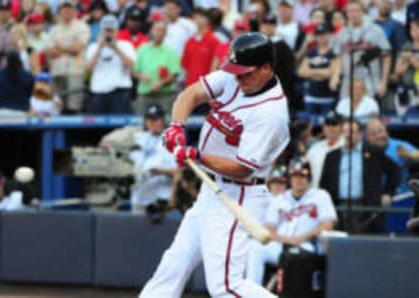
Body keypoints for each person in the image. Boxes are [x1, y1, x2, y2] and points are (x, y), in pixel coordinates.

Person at [140, 32, 289, 298]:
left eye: (245, 74)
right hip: (212, 190)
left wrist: (198, 156)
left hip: (240, 194)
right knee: (174, 264)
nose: (238, 78)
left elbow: (243, 167)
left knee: (225, 287)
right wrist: (177, 126)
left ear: (266, 69)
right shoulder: (236, 77)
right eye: (236, 72)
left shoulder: (271, 113)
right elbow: (191, 94)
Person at [246, 160, 337, 285]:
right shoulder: (279, 199)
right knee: (255, 248)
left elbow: (328, 225)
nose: (298, 179)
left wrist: (301, 238)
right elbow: (269, 229)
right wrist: (286, 240)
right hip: (282, 245)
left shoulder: (320, 196)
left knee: (296, 257)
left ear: (309, 177)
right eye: (295, 175)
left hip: (307, 246)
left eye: (302, 176)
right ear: (290, 178)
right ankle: (252, 293)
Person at [320, 119, 400, 233]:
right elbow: (324, 183)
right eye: (345, 132)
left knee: (365, 244)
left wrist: (388, 192)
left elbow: (395, 171)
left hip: (366, 206)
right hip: (338, 206)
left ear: (360, 134)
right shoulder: (332, 156)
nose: (348, 135)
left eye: (351, 131)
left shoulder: (374, 153)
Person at [334, 0, 391, 99]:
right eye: (350, 11)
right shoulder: (342, 32)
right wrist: (335, 75)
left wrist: (384, 81)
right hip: (348, 80)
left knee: (366, 112)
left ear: (363, 12)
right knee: (346, 111)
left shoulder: (375, 30)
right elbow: (339, 56)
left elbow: (387, 55)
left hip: (369, 78)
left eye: (357, 10)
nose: (354, 14)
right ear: (346, 14)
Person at [85, 14, 136, 114]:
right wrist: (100, 48)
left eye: (111, 31)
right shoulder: (93, 47)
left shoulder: (126, 45)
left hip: (119, 93)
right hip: (98, 92)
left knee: (120, 126)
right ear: (101, 31)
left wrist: (116, 48)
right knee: (96, 128)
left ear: (116, 31)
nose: (108, 34)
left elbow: (131, 65)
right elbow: (89, 68)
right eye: (106, 30)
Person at [46, 0, 90, 113]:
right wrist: (69, 48)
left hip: (75, 71)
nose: (67, 10)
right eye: (64, 8)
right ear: (60, 10)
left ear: (74, 10)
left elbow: (78, 48)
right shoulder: (54, 29)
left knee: (74, 106)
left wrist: (59, 48)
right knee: (57, 107)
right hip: (57, 71)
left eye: (69, 8)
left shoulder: (82, 26)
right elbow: (50, 51)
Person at [133, 20, 180, 116]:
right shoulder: (142, 49)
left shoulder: (170, 51)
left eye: (162, 30)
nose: (159, 33)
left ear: (165, 33)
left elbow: (174, 74)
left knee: (166, 123)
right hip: (144, 93)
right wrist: (140, 76)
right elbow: (134, 71)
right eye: (157, 30)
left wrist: (160, 83)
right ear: (151, 31)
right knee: (140, 123)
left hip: (165, 95)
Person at [366, 118, 419, 194]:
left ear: (386, 131)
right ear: (368, 137)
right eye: (374, 134)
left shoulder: (397, 146)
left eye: (381, 131)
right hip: (372, 194)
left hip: (398, 194)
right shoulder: (364, 149)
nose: (379, 136)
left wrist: (409, 155)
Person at [298, 24, 341, 115]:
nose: (321, 37)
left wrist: (311, 73)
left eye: (324, 34)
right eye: (319, 35)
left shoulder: (333, 53)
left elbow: (331, 72)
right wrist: (322, 72)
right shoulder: (311, 53)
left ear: (328, 35)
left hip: (327, 98)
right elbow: (301, 72)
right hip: (311, 97)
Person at [259, 13, 297, 112]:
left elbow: (289, 72)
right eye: (265, 24)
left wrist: (285, 92)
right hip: (259, 90)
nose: (267, 27)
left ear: (275, 27)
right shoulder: (257, 44)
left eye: (271, 24)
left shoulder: (282, 46)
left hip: (278, 90)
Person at [181, 7, 220, 88]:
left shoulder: (213, 40)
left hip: (206, 87)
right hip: (190, 86)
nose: (197, 19)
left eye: (201, 17)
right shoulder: (190, 41)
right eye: (195, 17)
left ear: (207, 20)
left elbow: (216, 66)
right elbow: (186, 67)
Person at [306, 111, 344, 188]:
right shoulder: (315, 149)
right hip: (317, 194)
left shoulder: (347, 146)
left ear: (342, 127)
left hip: (340, 194)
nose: (330, 128)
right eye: (327, 124)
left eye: (334, 124)